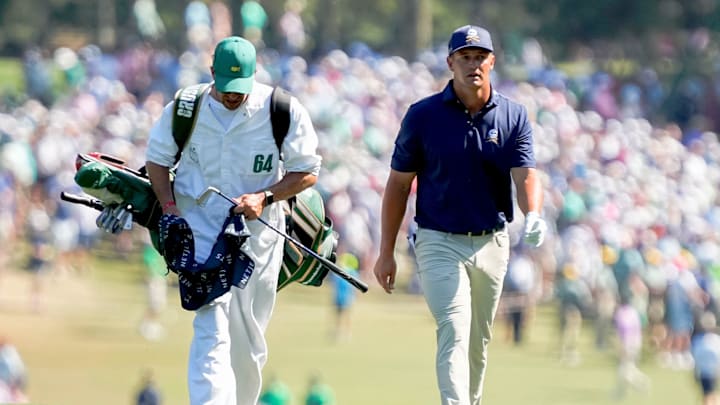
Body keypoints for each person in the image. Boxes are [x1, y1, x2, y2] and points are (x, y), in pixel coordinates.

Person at [372, 25, 547, 405]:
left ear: (492, 61)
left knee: (478, 341)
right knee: (454, 325)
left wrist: (533, 213)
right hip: (438, 239)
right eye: (465, 57)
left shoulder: (513, 115)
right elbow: (398, 185)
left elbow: (525, 174)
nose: (473, 65)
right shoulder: (423, 116)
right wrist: (386, 251)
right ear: (451, 62)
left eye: (480, 57)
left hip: (492, 241)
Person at [145, 36, 321, 405]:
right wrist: (169, 207)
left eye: (239, 88)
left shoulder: (281, 109)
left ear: (255, 75)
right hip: (200, 235)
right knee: (210, 326)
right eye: (226, 86)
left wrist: (265, 197)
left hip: (258, 239)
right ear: (212, 72)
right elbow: (157, 160)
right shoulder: (186, 107)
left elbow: (307, 171)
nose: (232, 95)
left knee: (247, 343)